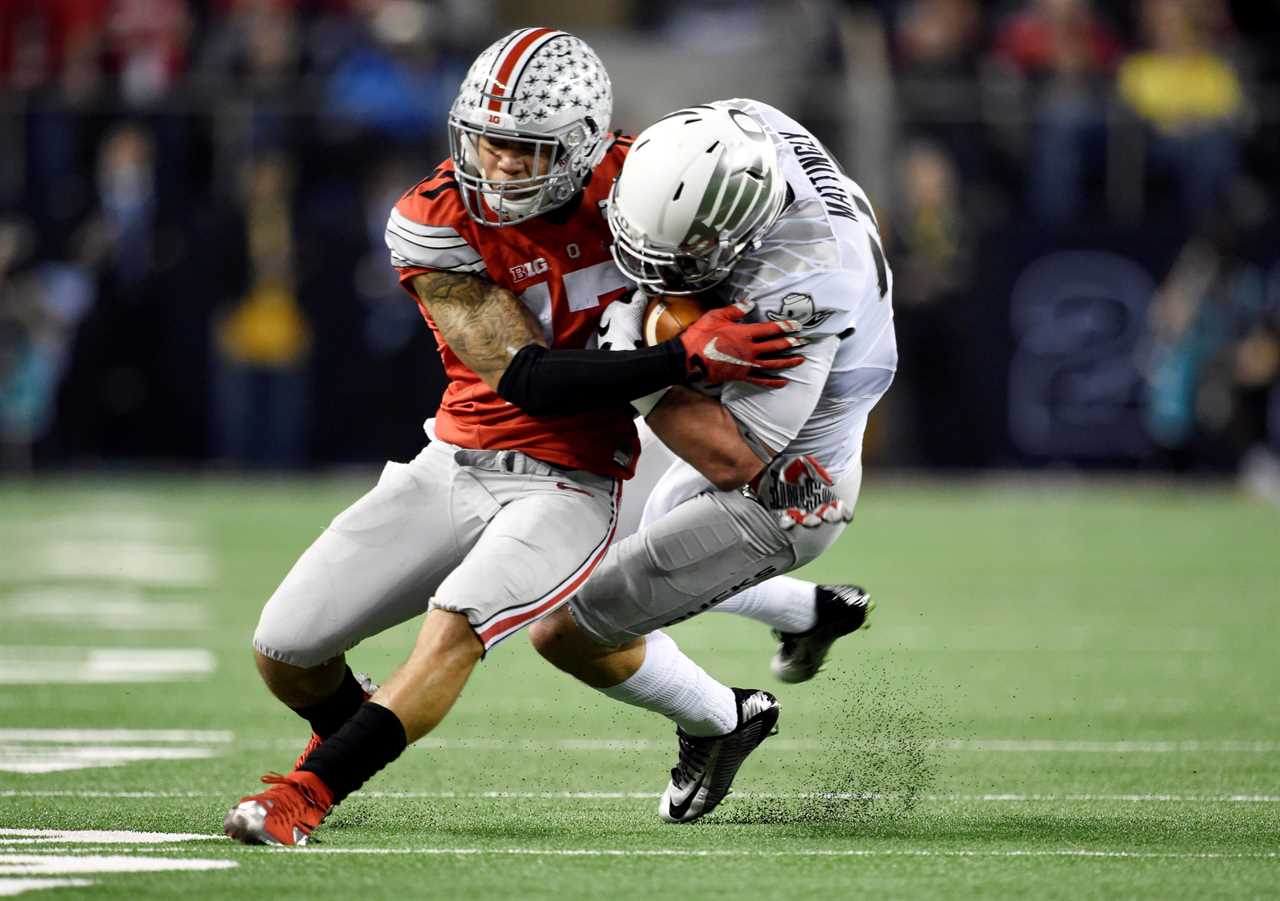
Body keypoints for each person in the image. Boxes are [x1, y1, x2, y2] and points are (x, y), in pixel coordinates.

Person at [222, 28, 804, 847]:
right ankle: (359, 735)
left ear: (581, 145)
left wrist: (720, 325)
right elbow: (528, 376)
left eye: (525, 151)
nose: (497, 167)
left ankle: (306, 796)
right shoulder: (435, 216)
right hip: (456, 456)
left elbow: (746, 234)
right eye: (487, 143)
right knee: (285, 649)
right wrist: (679, 354)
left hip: (570, 480)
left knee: (453, 630)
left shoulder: (646, 181)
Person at [527, 99, 896, 823]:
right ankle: (810, 612)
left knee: (567, 625)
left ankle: (721, 720)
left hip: (784, 486)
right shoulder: (740, 132)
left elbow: (732, 458)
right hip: (741, 418)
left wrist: (638, 360)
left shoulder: (806, 282)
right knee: (560, 543)